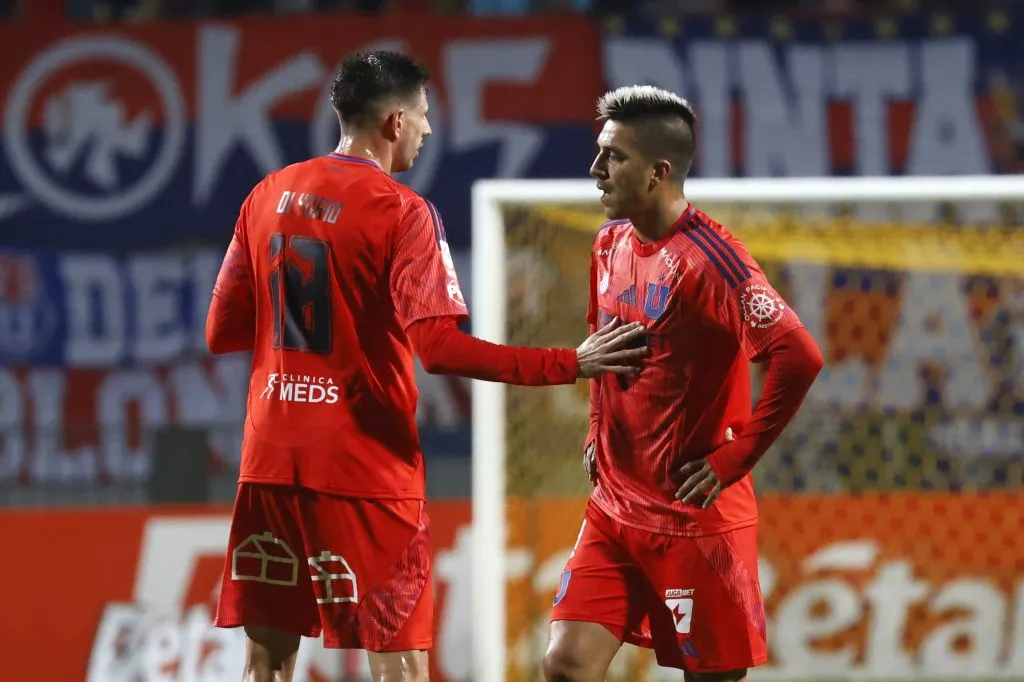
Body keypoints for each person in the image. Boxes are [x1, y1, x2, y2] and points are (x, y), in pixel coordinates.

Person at [206, 51, 648, 682]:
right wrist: (568, 362)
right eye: (422, 114)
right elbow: (439, 351)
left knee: (266, 663)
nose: (428, 130)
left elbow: (220, 331)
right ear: (393, 121)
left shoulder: (266, 195)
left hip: (270, 460)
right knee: (399, 667)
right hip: (365, 469)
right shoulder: (401, 211)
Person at [543, 85, 824, 682]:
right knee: (566, 664)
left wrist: (735, 459)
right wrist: (597, 424)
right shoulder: (608, 244)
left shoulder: (713, 260)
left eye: (612, 157)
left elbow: (799, 355)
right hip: (615, 508)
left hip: (695, 518)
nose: (595, 171)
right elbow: (601, 347)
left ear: (658, 172)